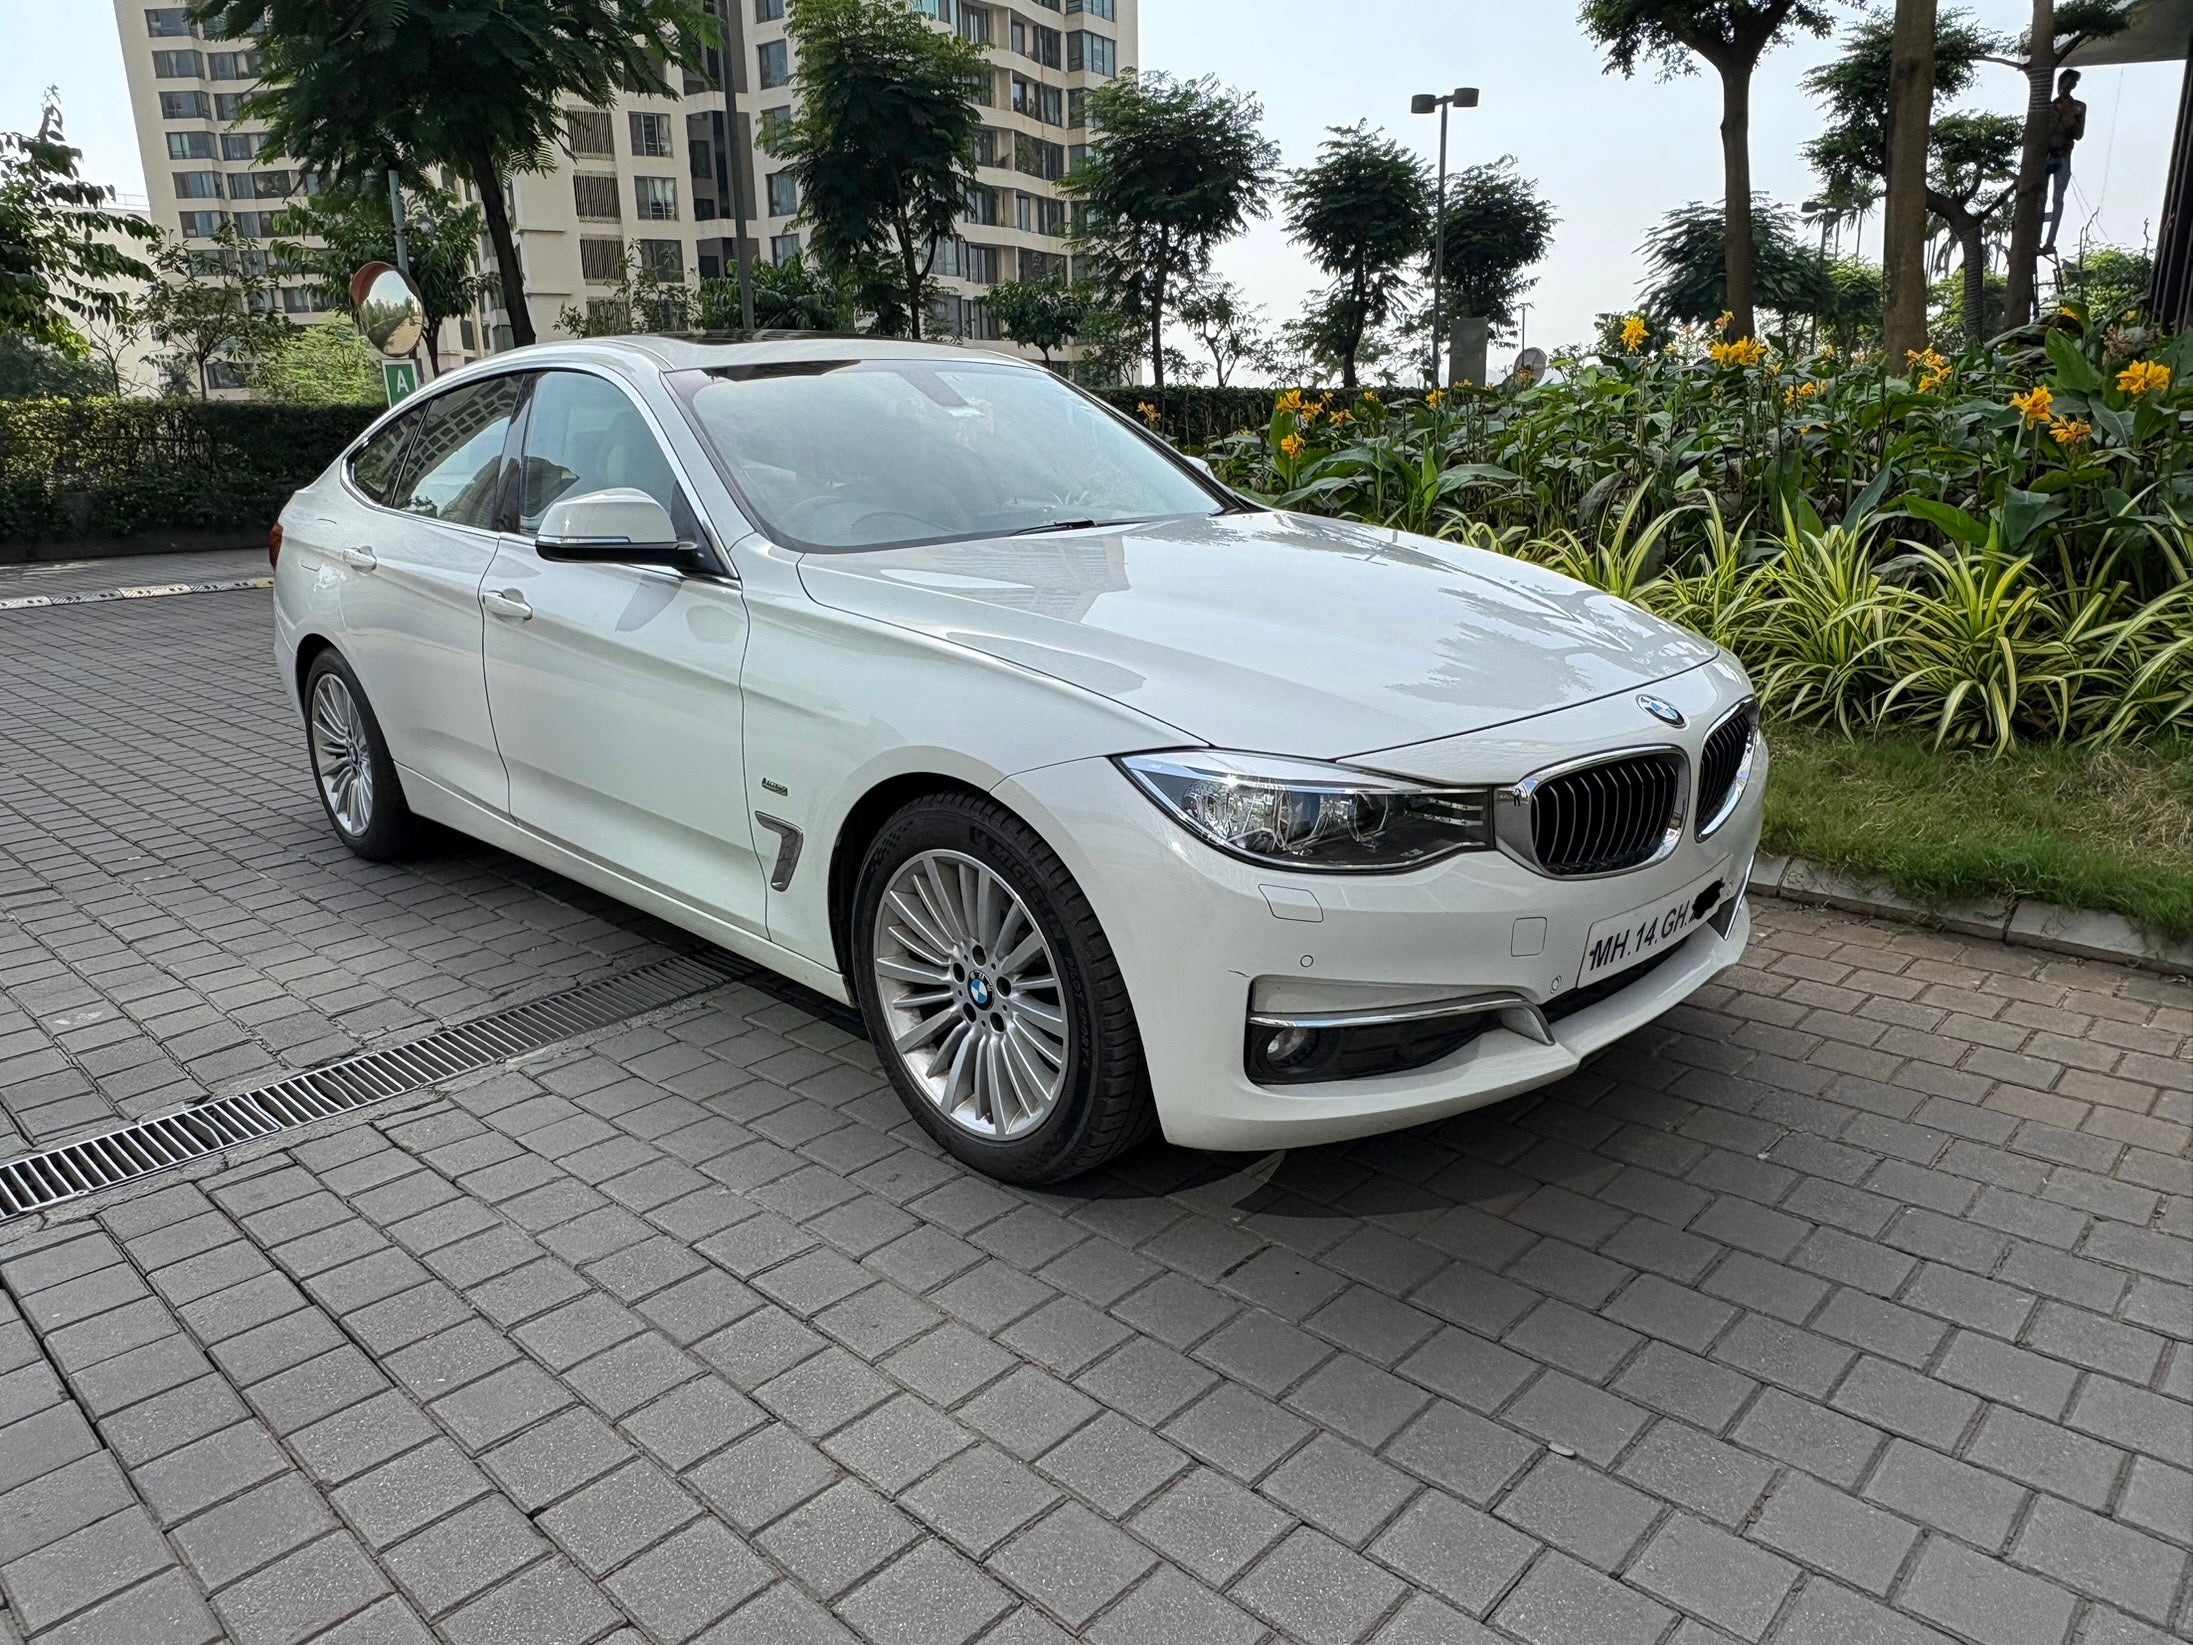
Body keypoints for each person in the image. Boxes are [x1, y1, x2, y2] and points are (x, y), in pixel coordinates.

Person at [2041, 69, 2087, 256]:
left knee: (2057, 198)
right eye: (2065, 83)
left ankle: (2049, 241)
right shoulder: (2050, 107)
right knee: (2041, 198)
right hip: (2047, 155)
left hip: (2064, 155)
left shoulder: (2079, 107)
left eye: (2071, 84)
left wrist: (2070, 118)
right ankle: (2037, 237)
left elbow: (2079, 134)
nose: (2067, 88)